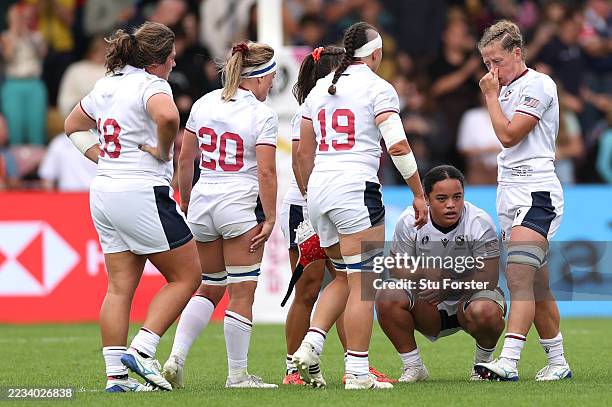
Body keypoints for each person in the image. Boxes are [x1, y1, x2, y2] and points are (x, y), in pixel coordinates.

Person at [63, 21, 201, 392]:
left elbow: (72, 125)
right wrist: (162, 151)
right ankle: (143, 350)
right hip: (141, 190)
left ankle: (116, 378)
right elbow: (169, 117)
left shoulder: (106, 84)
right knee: (188, 276)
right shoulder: (152, 85)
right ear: (157, 60)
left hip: (105, 190)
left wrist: (101, 156)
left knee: (119, 288)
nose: (174, 64)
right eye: (172, 58)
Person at [291, 21, 428, 390]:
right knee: (363, 283)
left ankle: (311, 343)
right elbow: (398, 146)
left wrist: (309, 197)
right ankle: (356, 372)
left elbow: (303, 152)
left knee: (342, 276)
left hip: (320, 188)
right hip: (356, 189)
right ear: (375, 53)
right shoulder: (378, 87)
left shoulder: (320, 88)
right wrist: (418, 192)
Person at [163, 40, 278, 389]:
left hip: (202, 201)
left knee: (209, 287)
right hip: (237, 205)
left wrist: (185, 200)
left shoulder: (203, 103)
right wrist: (270, 218)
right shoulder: (262, 114)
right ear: (258, 77)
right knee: (241, 293)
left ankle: (175, 358)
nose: (272, 84)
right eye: (271, 77)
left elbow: (185, 159)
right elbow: (267, 173)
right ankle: (238, 375)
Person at [279, 45, 395, 386]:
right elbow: (300, 161)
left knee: (347, 283)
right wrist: (310, 202)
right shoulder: (312, 107)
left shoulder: (327, 103)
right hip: (308, 203)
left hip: (324, 199)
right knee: (310, 288)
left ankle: (354, 364)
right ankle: (293, 369)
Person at [475, 20, 572, 381]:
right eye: (486, 63)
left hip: (537, 192)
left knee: (517, 276)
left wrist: (488, 97)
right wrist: (493, 93)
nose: (491, 70)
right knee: (536, 283)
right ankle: (558, 362)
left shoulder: (538, 84)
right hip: (508, 192)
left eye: (497, 61)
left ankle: (509, 361)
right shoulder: (504, 88)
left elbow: (510, 136)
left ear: (518, 53)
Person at [376, 165, 505, 382]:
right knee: (386, 295)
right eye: (442, 198)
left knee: (487, 310)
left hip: (470, 300)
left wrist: (450, 286)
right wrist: (424, 271)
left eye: (457, 197)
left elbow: (490, 278)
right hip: (429, 305)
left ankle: (482, 365)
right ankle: (414, 367)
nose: (451, 205)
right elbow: (396, 268)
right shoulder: (409, 220)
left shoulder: (480, 222)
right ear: (426, 198)